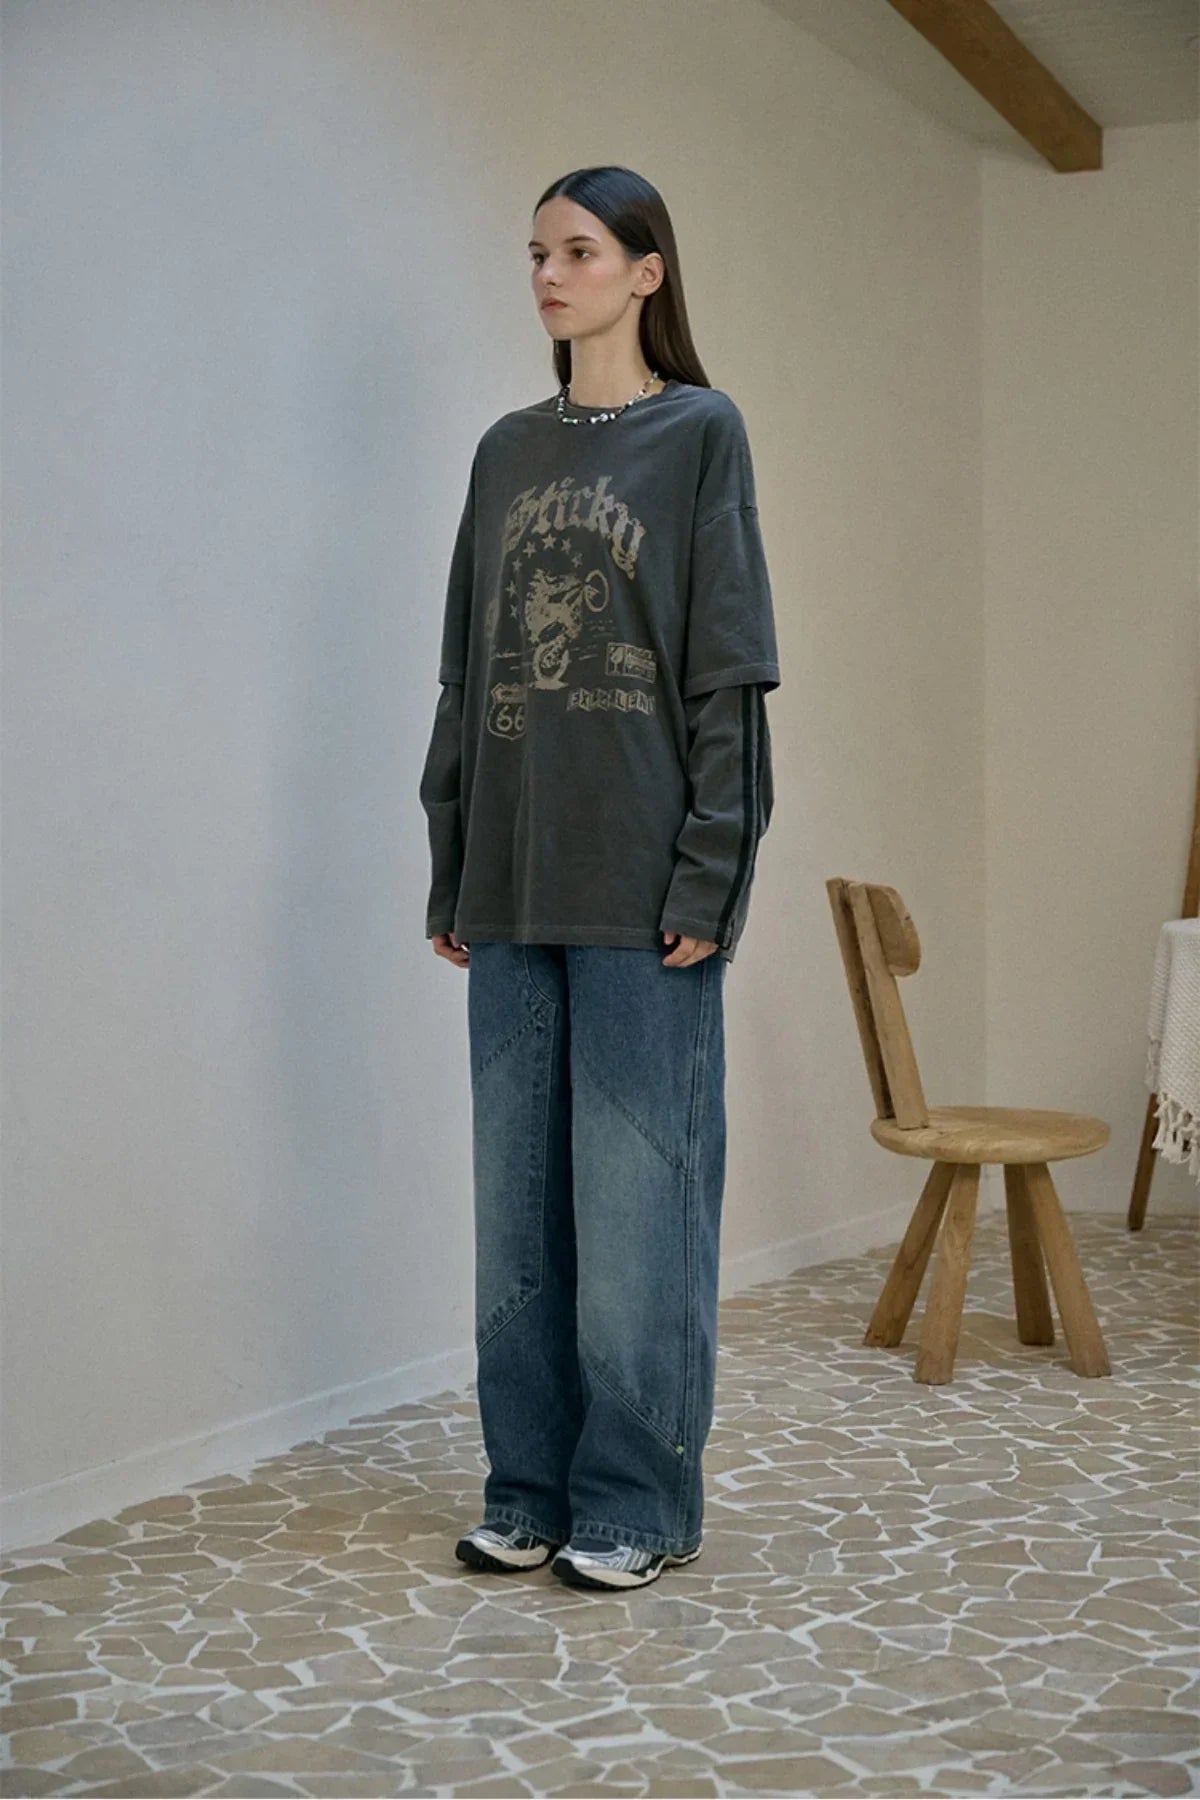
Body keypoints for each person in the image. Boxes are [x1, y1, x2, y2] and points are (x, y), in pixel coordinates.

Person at [419, 165, 781, 1592]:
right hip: (508, 886)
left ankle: (637, 1502)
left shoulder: (702, 436)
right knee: (518, 1219)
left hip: (642, 894)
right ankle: (528, 1486)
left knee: (639, 1214)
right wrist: (450, 860)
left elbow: (728, 674)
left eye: (578, 252)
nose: (549, 277)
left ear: (647, 271)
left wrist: (709, 878)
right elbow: (468, 670)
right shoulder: (505, 451)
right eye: (534, 255)